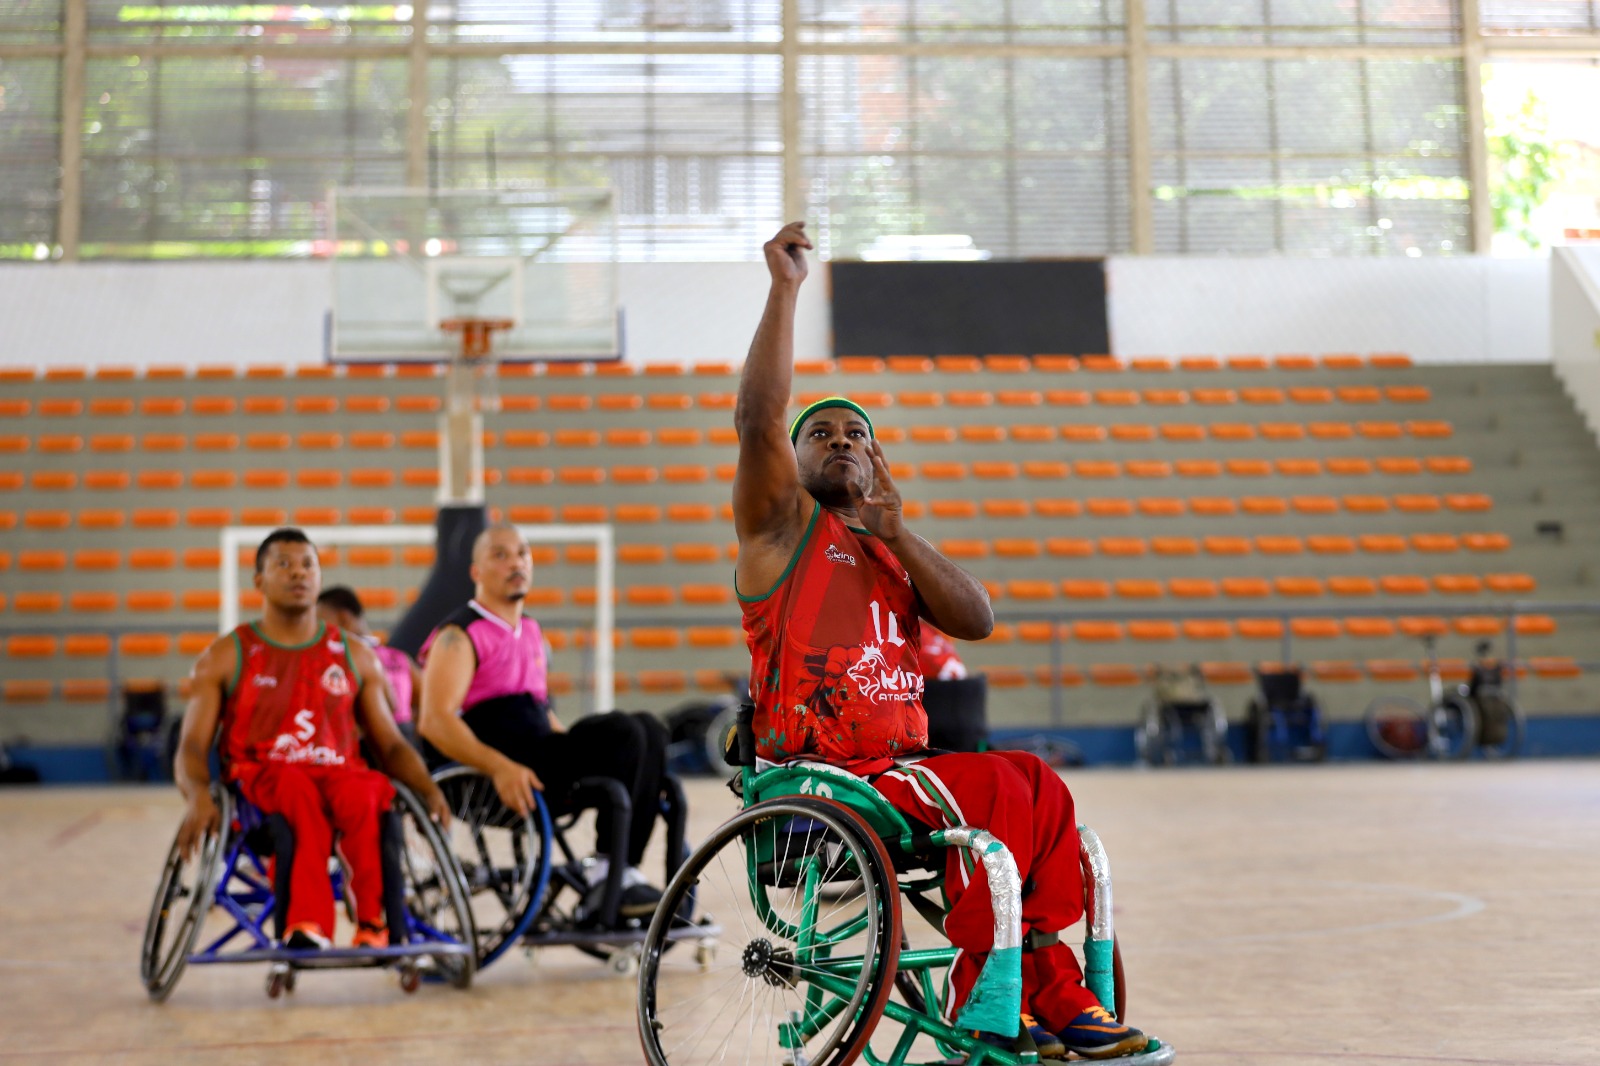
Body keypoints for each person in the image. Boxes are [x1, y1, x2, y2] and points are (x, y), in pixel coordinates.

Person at [731, 221, 1149, 1060]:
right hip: (824, 781)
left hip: (897, 776)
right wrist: (784, 289)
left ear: (879, 463)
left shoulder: (892, 551)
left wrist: (901, 530)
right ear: (798, 459)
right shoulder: (781, 529)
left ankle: (1053, 992)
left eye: (859, 436)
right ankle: (987, 996)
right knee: (990, 803)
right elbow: (756, 415)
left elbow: (978, 619)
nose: (842, 441)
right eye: (824, 435)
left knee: (1037, 785)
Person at [174, 528, 449, 950]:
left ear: (319, 579)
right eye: (283, 564)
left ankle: (373, 923)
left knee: (370, 791)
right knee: (296, 790)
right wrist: (197, 794)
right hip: (263, 782)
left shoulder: (356, 656)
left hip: (336, 775)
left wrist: (428, 788)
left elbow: (391, 745)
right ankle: (305, 925)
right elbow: (192, 745)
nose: (298, 573)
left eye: (308, 565)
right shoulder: (227, 655)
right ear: (259, 581)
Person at [417, 522, 669, 921]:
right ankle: (609, 874)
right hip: (494, 765)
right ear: (476, 572)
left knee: (649, 731)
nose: (515, 562)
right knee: (623, 730)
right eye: (500, 554)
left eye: (522, 553)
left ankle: (620, 871)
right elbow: (434, 721)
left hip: (539, 749)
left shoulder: (531, 631)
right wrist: (498, 767)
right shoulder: (458, 633)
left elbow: (541, 711)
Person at [317, 586, 422, 746]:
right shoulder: (400, 658)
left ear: (343, 618)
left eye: (321, 622)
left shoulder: (345, 658)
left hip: (369, 743)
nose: (318, 631)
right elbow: (425, 702)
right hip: (406, 741)